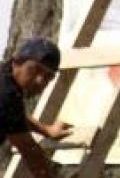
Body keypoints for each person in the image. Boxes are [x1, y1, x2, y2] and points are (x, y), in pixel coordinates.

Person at [0, 37, 73, 177]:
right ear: (16, 63)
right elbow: (30, 152)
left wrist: (45, 130)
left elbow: (15, 116)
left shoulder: (5, 77)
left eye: (48, 77)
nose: (40, 80)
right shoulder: (6, 95)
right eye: (34, 69)